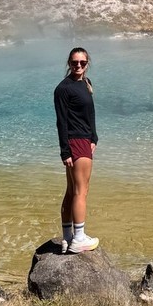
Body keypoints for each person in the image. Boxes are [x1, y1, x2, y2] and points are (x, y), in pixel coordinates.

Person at [54, 46, 99, 253]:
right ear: (69, 63)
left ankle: (67, 238)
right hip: (75, 141)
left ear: (87, 63)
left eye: (82, 62)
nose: (78, 66)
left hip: (84, 140)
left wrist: (94, 137)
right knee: (81, 191)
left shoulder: (86, 83)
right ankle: (79, 238)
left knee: (72, 191)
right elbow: (61, 122)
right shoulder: (63, 89)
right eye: (74, 62)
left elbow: (90, 114)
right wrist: (65, 151)